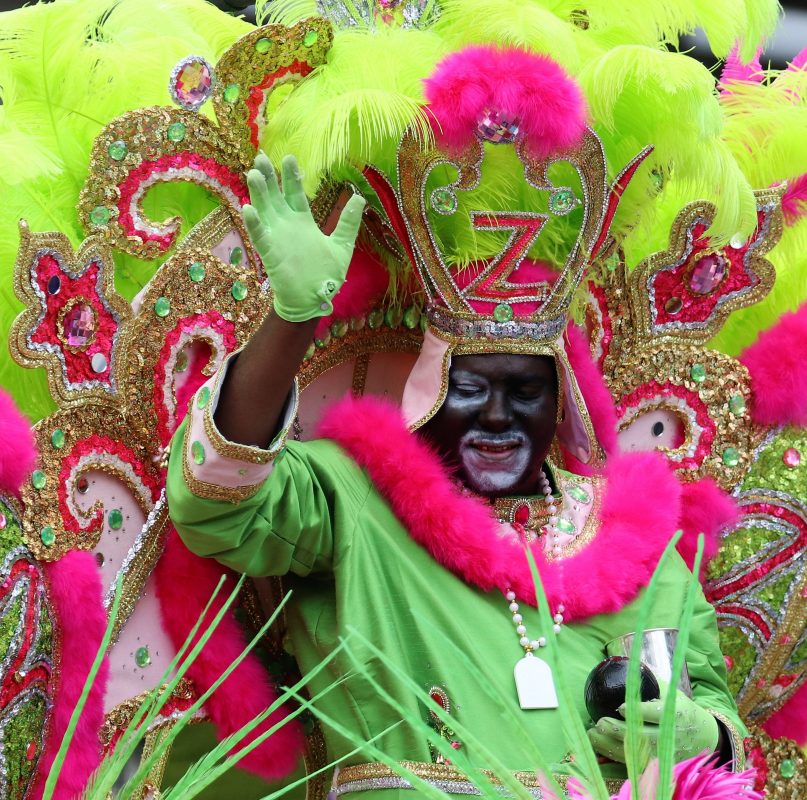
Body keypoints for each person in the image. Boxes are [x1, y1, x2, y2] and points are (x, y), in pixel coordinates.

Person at [166, 111, 747, 794]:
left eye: (526, 389)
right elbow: (218, 495)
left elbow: (711, 703)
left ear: (559, 403)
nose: (498, 414)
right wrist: (293, 319)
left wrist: (705, 736)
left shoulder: (636, 538)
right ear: (426, 388)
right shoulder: (354, 496)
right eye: (471, 386)